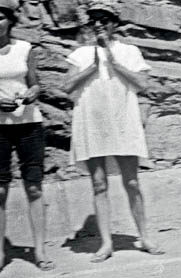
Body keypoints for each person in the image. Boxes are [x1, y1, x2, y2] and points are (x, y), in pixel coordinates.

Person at [62, 0, 162, 263]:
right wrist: (93, 67)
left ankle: (144, 236)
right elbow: (67, 86)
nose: (98, 24)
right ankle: (106, 243)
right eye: (94, 19)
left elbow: (142, 83)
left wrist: (114, 62)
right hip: (93, 121)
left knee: (131, 181)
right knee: (98, 183)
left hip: (122, 120)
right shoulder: (81, 54)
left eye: (104, 19)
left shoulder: (129, 51)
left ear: (115, 24)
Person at [0, 0, 53, 271]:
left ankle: (40, 251)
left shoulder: (24, 48)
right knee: (0, 190)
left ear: (9, 20)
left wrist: (33, 93)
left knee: (33, 186)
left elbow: (34, 83)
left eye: (0, 17)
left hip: (29, 124)